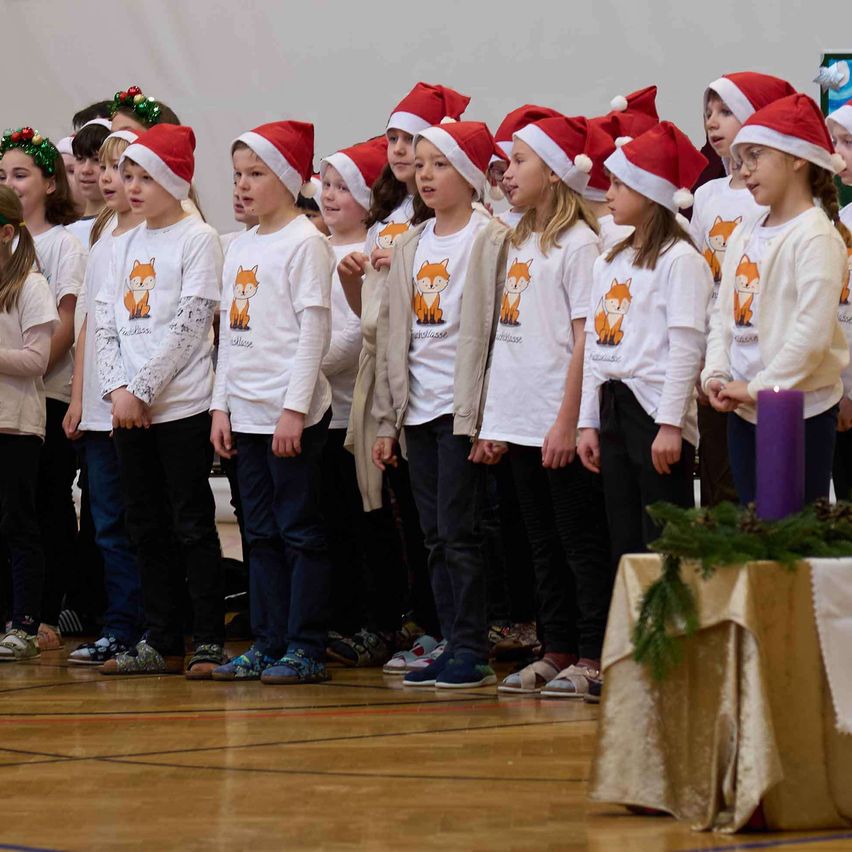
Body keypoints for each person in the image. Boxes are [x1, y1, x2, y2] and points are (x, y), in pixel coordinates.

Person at [96, 124, 226, 677]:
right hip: (128, 408)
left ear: (175, 180)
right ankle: (160, 636)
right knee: (143, 524)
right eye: (128, 176)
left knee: (190, 523)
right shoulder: (120, 245)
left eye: (145, 176)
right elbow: (103, 322)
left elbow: (192, 324)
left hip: (181, 408)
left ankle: (207, 637)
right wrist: (118, 391)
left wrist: (144, 389)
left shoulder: (199, 239)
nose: (133, 186)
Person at [210, 121, 336, 685]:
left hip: (291, 416)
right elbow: (230, 338)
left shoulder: (306, 242)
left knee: (300, 532)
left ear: (286, 179)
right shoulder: (238, 246)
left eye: (256, 174)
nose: (242, 185)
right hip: (246, 412)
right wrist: (220, 407)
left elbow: (314, 332)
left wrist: (295, 409)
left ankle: (305, 646)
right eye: (237, 175)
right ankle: (267, 640)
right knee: (257, 532)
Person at [373, 120, 497, 689]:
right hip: (415, 412)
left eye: (439, 164)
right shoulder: (411, 245)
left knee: (459, 530)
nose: (425, 174)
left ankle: (472, 644)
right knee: (431, 535)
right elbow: (392, 335)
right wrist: (385, 421)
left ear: (469, 175)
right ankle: (450, 638)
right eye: (419, 164)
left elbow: (497, 334)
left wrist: (490, 415)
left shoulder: (490, 239)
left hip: (462, 409)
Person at [702, 94, 851, 505]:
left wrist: (757, 387)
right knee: (755, 535)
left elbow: (811, 335)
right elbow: (723, 313)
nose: (744, 171)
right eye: (741, 160)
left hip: (799, 414)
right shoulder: (744, 232)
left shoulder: (815, 235)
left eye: (755, 156)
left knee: (791, 541)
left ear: (797, 158)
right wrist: (716, 373)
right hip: (744, 410)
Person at [578, 121, 712, 560]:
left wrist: (671, 424)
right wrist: (588, 421)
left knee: (664, 543)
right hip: (613, 407)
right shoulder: (609, 261)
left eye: (618, 183)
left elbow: (686, 349)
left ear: (649, 192)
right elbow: (598, 346)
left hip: (655, 413)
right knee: (625, 542)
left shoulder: (681, 261)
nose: (608, 193)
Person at [0, 186, 58, 661]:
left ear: (5, 232)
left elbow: (37, 360)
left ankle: (24, 622)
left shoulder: (31, 285)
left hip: (16, 425)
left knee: (18, 523)